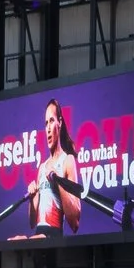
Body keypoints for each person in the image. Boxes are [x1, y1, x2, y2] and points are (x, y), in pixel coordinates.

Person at [24, 99, 83, 237]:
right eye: (46, 123)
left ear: (60, 123)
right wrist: (32, 199)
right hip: (38, 235)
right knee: (14, 240)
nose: (48, 128)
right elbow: (32, 222)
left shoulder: (67, 161)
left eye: (51, 121)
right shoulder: (42, 168)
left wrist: (58, 182)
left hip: (53, 236)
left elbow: (75, 223)